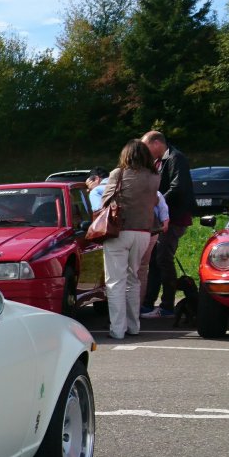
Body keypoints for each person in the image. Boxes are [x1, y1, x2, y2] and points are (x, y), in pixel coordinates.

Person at [100, 140, 161, 341]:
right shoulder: (154, 176)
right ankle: (134, 326)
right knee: (133, 278)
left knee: (115, 282)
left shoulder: (118, 173)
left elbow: (105, 201)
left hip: (120, 232)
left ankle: (117, 329)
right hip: (143, 233)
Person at [140, 130, 196, 319]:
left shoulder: (175, 158)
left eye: (146, 147)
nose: (145, 152)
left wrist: (157, 203)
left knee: (163, 259)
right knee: (156, 260)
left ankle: (167, 307)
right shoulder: (161, 160)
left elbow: (178, 187)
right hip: (164, 218)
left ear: (157, 143)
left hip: (174, 218)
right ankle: (148, 304)